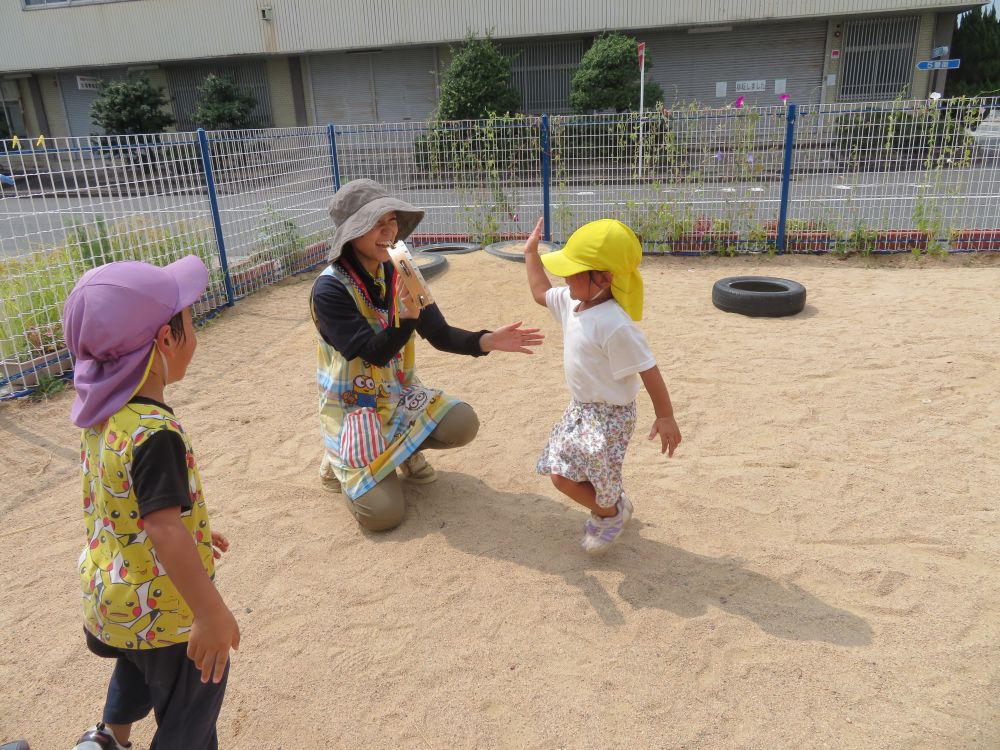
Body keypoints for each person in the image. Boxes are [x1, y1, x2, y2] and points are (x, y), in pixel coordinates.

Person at [63, 257, 240, 750]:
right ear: (165, 341)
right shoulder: (155, 433)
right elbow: (162, 528)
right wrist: (210, 613)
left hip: (116, 598)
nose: (194, 332)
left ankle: (108, 739)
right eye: (190, 321)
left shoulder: (102, 416)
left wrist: (197, 530)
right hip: (168, 614)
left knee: (136, 663)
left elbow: (125, 501)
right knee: (193, 700)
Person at [310, 179, 544, 532]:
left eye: (390, 219)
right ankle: (338, 461)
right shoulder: (329, 289)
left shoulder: (400, 267)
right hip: (353, 408)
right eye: (376, 222)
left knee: (463, 423)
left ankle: (403, 451)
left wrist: (487, 341)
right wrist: (406, 320)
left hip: (397, 394)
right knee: (384, 516)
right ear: (351, 233)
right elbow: (374, 354)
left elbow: (439, 333)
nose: (388, 229)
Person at [523, 217, 682, 553]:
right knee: (561, 473)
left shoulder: (614, 323)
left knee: (585, 478)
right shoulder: (571, 300)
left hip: (611, 417)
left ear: (604, 278)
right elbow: (540, 292)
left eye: (574, 270)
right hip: (580, 409)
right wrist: (530, 253)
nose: (565, 276)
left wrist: (665, 415)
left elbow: (648, 369)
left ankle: (611, 512)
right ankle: (611, 507)